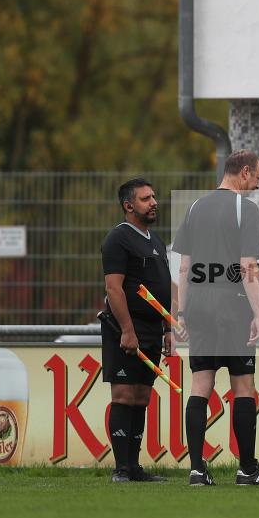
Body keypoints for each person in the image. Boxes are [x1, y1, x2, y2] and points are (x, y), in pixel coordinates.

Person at [173, 150, 259, 486]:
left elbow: (184, 266)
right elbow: (248, 266)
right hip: (233, 305)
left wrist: (182, 312)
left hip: (198, 305)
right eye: (257, 178)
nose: (257, 185)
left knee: (201, 384)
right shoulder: (247, 208)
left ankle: (197, 469)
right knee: (243, 385)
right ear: (244, 173)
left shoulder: (194, 206)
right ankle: (247, 469)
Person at [100, 178, 171, 483]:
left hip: (154, 329)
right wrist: (127, 330)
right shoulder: (118, 239)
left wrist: (167, 328)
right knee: (124, 394)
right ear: (129, 206)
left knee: (142, 396)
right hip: (126, 328)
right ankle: (121, 468)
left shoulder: (154, 241)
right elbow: (114, 289)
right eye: (145, 198)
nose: (154, 202)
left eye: (154, 196)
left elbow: (163, 289)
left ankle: (135, 466)